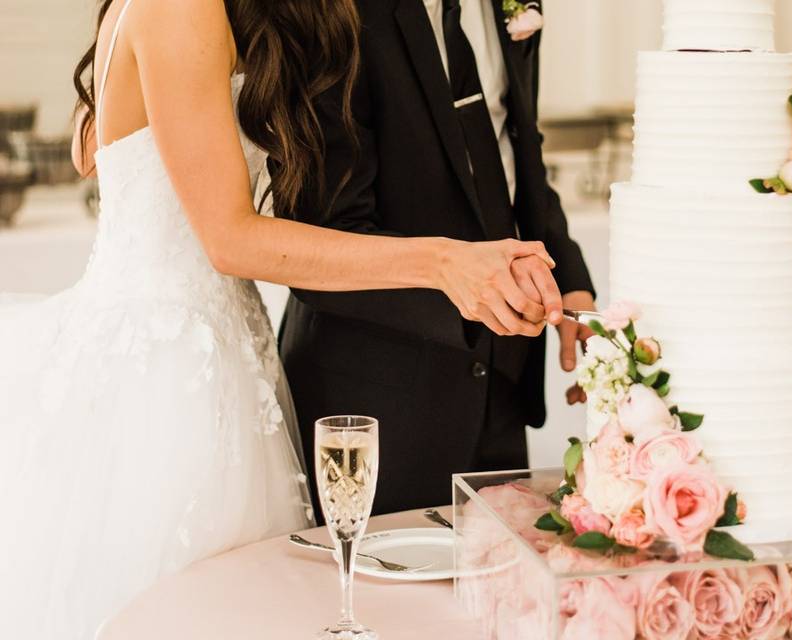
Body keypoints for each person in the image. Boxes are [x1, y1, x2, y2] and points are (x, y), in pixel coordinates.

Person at [0, 0, 562, 637]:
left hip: (229, 352)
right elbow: (230, 239)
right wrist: (442, 262)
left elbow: (91, 148)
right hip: (167, 375)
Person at [276, 0, 596, 516]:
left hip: (501, 379)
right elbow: (318, 237)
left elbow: (513, 145)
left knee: (493, 584)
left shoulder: (508, 9)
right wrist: (470, 292)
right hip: (378, 398)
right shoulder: (332, 13)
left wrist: (567, 271)